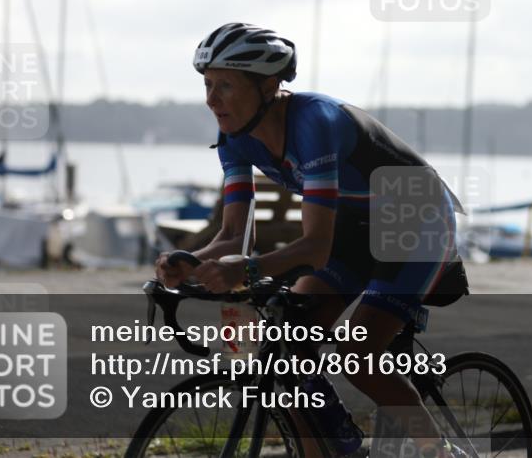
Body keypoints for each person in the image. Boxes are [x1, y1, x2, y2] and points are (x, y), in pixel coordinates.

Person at [155, 23, 466, 458]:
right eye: (208, 84)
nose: (211, 99)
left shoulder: (315, 122)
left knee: (358, 352)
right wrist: (188, 261)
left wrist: (244, 269)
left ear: (267, 86)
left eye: (224, 85)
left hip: (414, 222)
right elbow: (232, 235)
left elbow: (315, 247)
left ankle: (438, 450)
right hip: (353, 227)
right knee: (289, 347)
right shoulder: (234, 137)